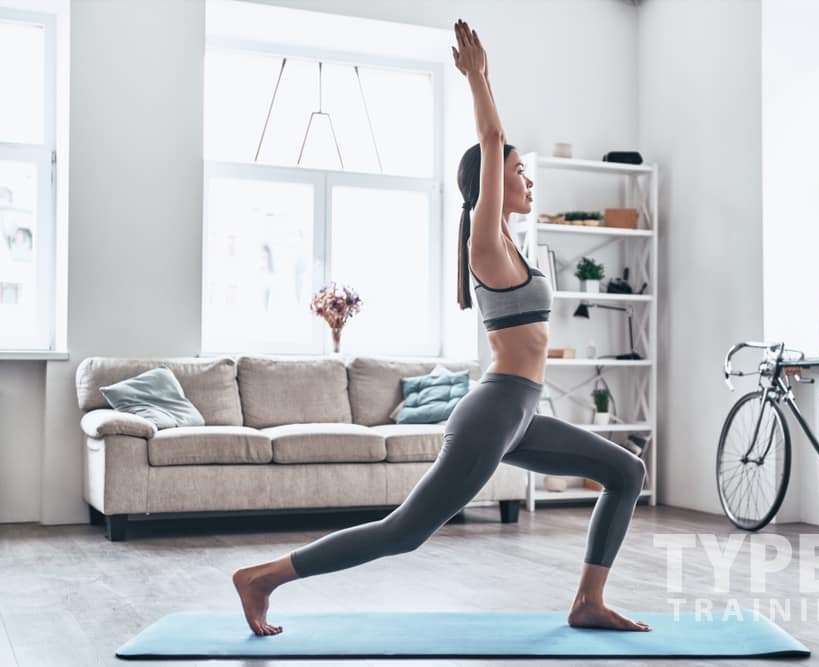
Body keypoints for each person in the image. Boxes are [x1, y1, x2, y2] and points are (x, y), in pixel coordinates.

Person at [232, 18, 650, 636]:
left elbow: (499, 151)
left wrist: (488, 87)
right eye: (518, 172)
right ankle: (263, 577)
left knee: (626, 471)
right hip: (494, 412)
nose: (527, 180)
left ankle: (588, 601)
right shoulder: (486, 243)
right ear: (491, 182)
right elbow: (492, 137)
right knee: (404, 532)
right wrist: (479, 78)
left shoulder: (509, 243)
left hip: (520, 413)